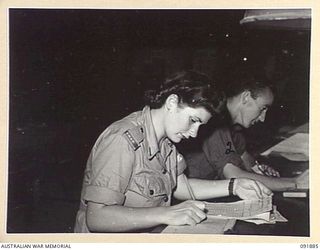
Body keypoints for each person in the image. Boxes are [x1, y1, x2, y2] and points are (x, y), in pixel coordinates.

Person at [74, 71, 272, 233]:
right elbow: (96, 217)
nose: (194, 134)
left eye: (200, 125)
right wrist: (166, 213)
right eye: (193, 121)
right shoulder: (121, 139)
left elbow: (182, 187)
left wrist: (234, 186)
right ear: (171, 103)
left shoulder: (167, 141)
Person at [183, 72, 308, 191]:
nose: (263, 118)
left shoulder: (234, 126)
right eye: (262, 108)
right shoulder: (216, 122)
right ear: (246, 97)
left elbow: (243, 155)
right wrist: (295, 183)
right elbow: (233, 175)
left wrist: (258, 169)